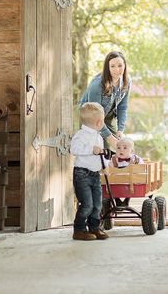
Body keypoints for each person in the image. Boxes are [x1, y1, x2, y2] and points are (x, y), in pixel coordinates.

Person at [69, 102, 109, 241]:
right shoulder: (81, 135)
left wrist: (105, 165)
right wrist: (90, 149)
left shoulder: (98, 136)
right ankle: (79, 230)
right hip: (82, 174)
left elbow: (100, 155)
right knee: (87, 204)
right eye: (103, 121)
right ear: (99, 122)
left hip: (95, 174)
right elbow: (73, 149)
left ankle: (94, 228)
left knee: (97, 204)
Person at [80, 51, 131, 147]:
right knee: (98, 149)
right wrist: (109, 137)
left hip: (109, 115)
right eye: (112, 66)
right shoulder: (97, 85)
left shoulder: (127, 81)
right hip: (90, 116)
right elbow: (94, 114)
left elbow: (122, 107)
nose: (117, 70)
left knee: (119, 148)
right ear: (107, 67)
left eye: (120, 65)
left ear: (125, 65)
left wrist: (120, 130)